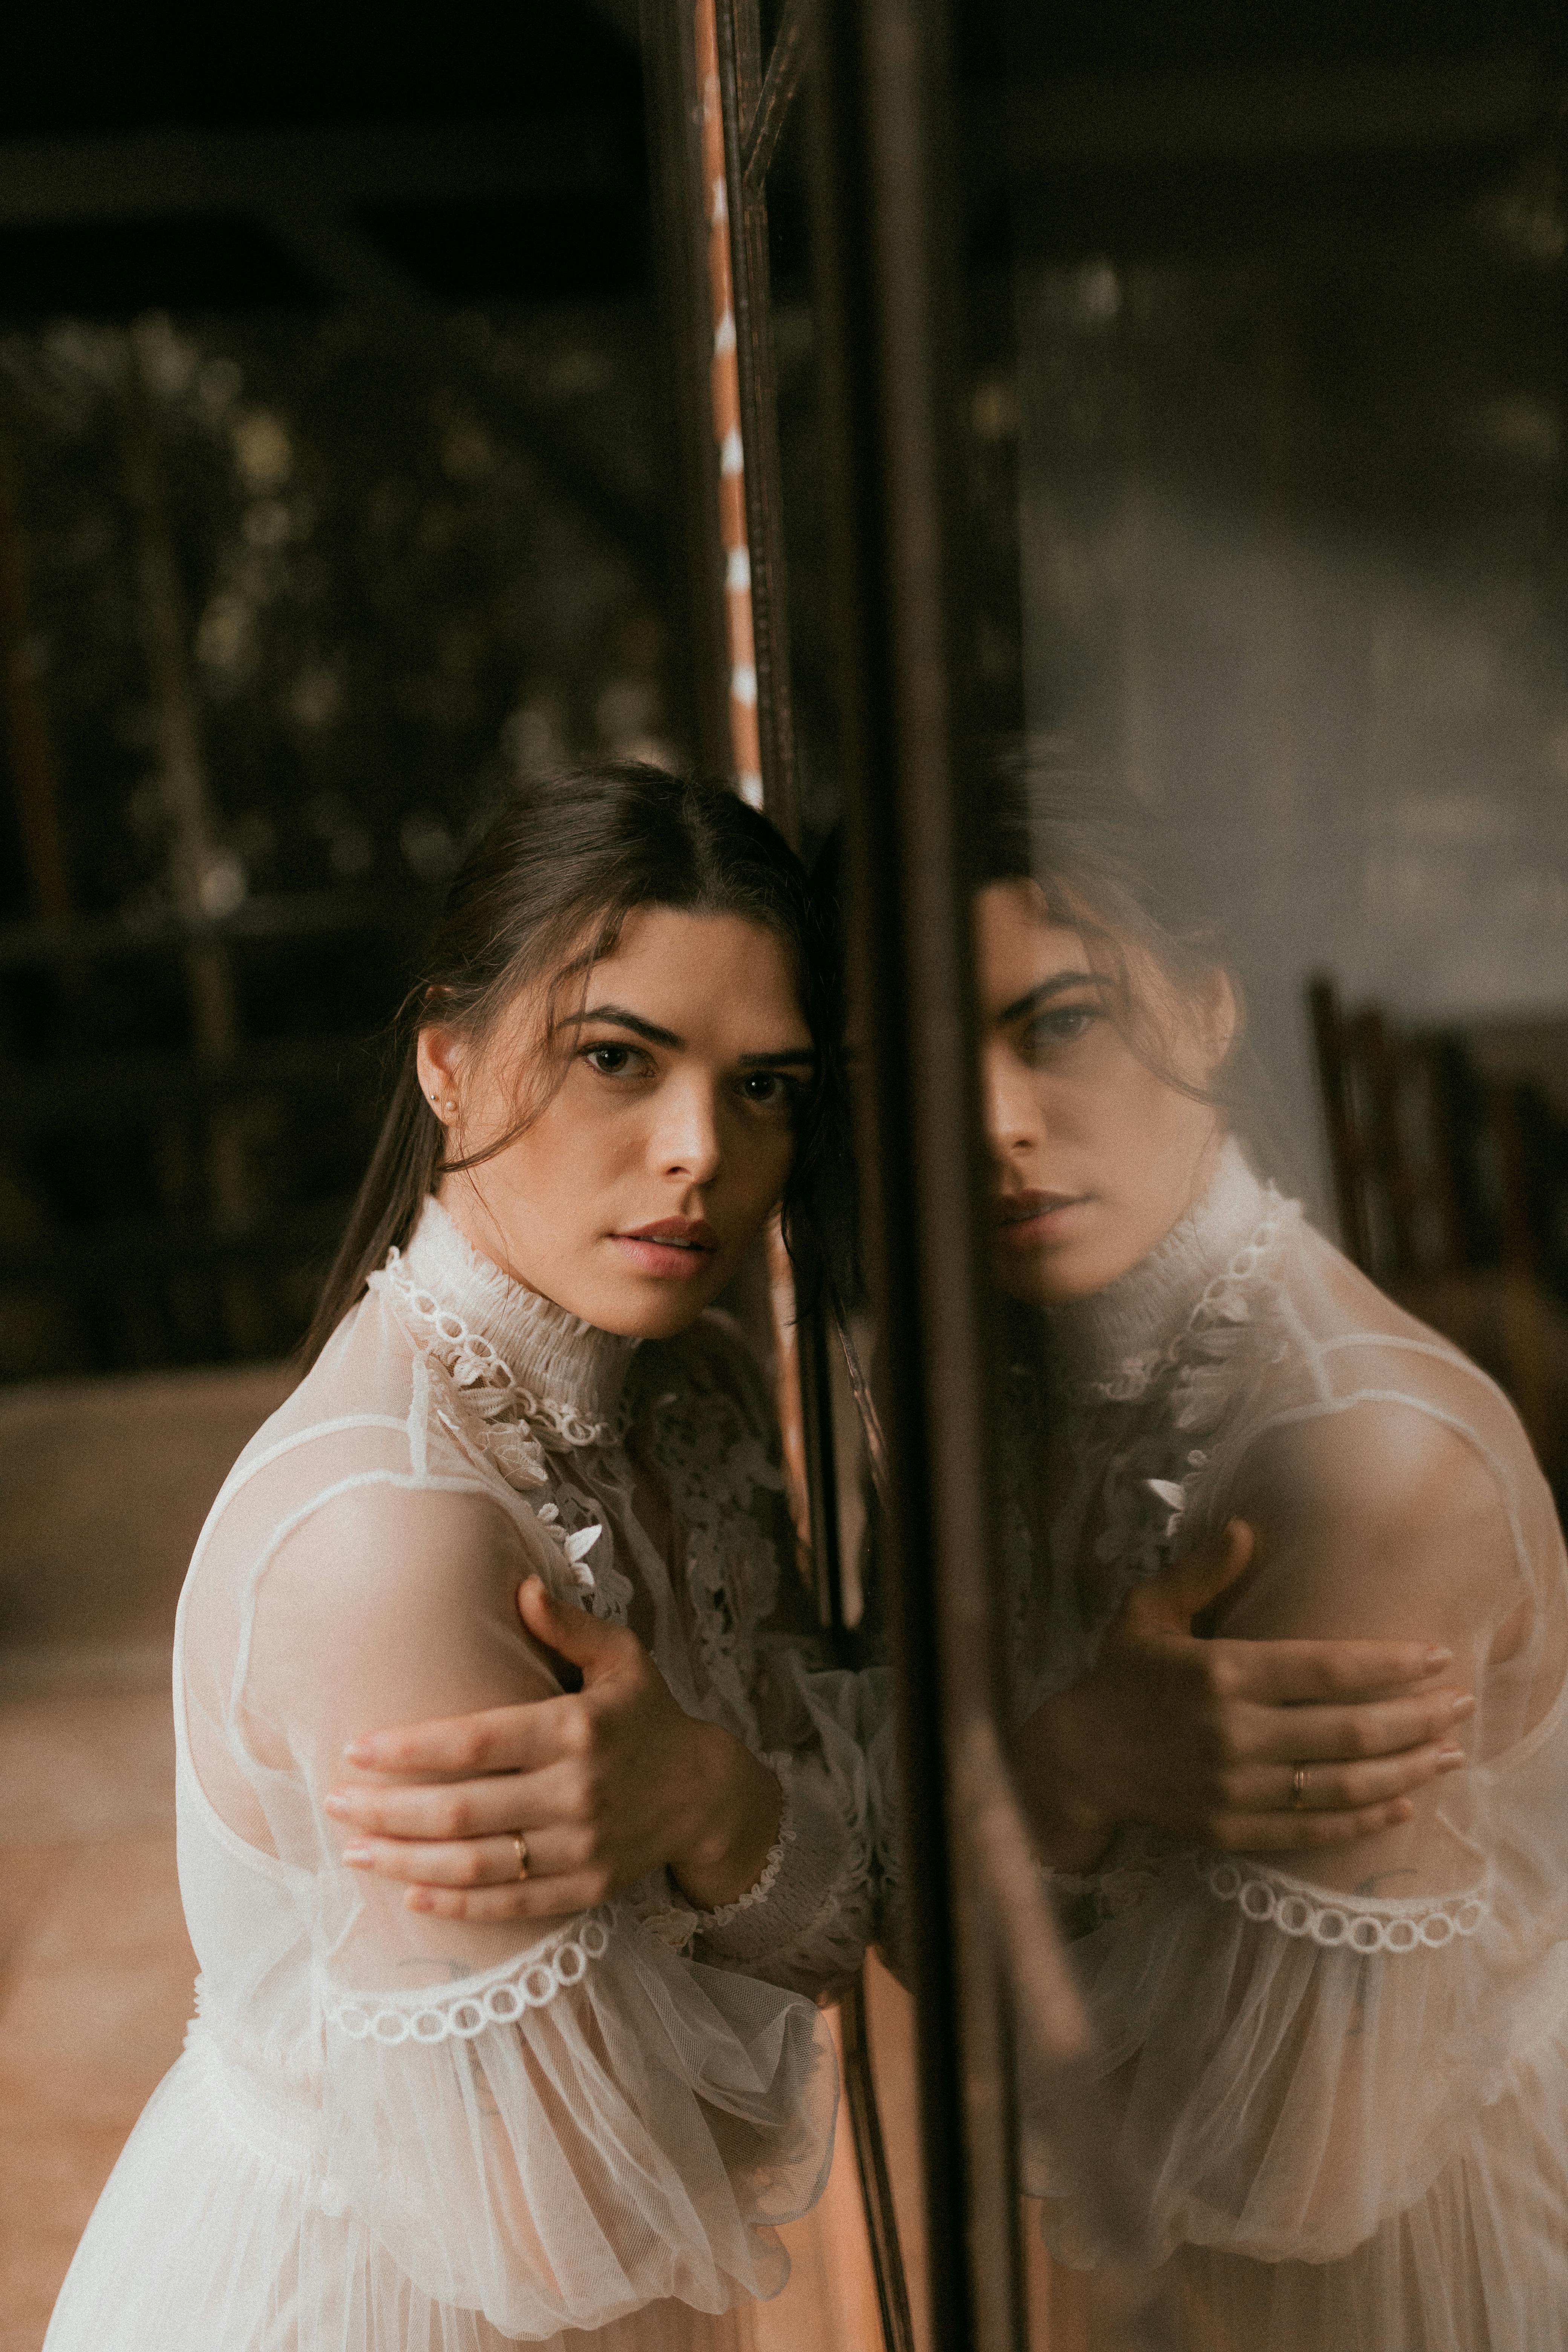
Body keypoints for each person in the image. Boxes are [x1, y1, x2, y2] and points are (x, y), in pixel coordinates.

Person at [43, 766, 883, 2352]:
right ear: (445, 1056)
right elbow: (559, 2223)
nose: (700, 1150)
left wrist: (707, 1795)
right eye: (615, 1060)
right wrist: (747, 1828)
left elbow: (837, 1917)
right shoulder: (398, 1543)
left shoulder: (691, 1393)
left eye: (766, 1085)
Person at [975, 765, 1568, 2349]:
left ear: (1210, 1004)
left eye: (1058, 1022)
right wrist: (1066, 1774)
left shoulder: (1359, 1471)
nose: (993, 1123)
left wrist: (1044, 1790)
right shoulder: (1063, 1364)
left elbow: (1289, 2175)